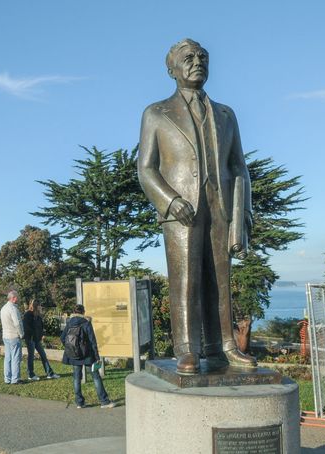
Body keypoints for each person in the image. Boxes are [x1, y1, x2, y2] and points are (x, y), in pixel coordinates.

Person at [137, 38, 257, 374]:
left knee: (221, 281)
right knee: (186, 280)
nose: (197, 61)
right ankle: (187, 349)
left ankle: (224, 347)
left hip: (220, 207)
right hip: (181, 211)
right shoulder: (156, 114)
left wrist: (242, 213)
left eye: (203, 56)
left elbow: (238, 166)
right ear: (171, 69)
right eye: (188, 57)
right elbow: (145, 168)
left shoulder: (226, 115)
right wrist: (170, 200)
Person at [61, 305, 115, 409]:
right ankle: (104, 401)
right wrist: (97, 356)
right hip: (87, 356)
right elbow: (92, 341)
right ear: (83, 312)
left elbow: (63, 338)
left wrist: (71, 348)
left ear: (74, 312)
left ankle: (79, 403)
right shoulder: (86, 323)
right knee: (96, 377)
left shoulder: (69, 323)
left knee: (76, 378)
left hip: (74, 356)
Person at [23, 300, 60, 381]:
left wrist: (41, 334)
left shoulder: (38, 315)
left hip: (37, 339)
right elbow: (27, 327)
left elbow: (40, 326)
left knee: (43, 355)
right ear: (36, 306)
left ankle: (49, 373)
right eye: (40, 306)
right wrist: (32, 335)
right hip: (31, 339)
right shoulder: (28, 314)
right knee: (31, 356)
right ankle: (31, 374)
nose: (41, 307)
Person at [0, 290, 24, 384]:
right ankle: (15, 379)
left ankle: (7, 378)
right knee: (15, 358)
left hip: (5, 335)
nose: (17, 299)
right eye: (16, 297)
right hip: (13, 335)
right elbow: (17, 323)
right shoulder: (13, 309)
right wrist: (21, 333)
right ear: (13, 298)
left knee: (8, 358)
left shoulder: (3, 308)